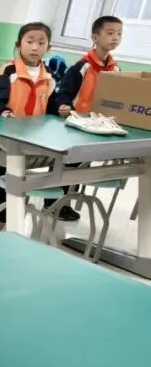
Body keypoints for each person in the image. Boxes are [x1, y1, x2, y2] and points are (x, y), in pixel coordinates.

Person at [0, 22, 62, 236]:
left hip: (26, 140)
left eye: (41, 43)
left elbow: (51, 105)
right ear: (18, 45)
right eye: (30, 41)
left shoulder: (49, 75)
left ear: (48, 48)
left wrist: (60, 109)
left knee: (10, 179)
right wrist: (4, 112)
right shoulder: (9, 71)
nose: (35, 47)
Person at [46, 15, 125, 222]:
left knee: (82, 167)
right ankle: (53, 203)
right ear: (95, 37)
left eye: (119, 34)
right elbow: (65, 92)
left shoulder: (116, 69)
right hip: (74, 124)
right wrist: (64, 106)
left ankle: (66, 203)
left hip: (96, 125)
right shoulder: (81, 67)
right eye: (110, 33)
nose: (115, 38)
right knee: (65, 165)